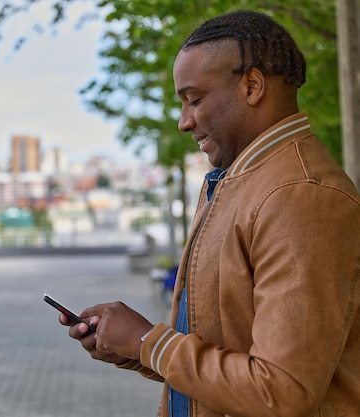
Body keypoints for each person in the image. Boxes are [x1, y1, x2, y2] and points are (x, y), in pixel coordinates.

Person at [60, 10, 360, 417]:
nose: (185, 122)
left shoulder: (299, 195)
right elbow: (231, 351)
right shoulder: (242, 181)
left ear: (252, 86)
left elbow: (280, 392)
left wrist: (150, 341)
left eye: (194, 99)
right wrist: (134, 348)